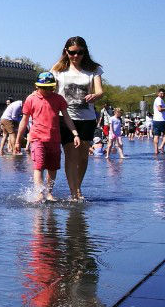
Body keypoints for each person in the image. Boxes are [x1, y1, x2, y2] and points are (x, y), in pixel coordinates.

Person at [51, 36, 105, 199]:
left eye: (80, 53)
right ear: (66, 52)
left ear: (85, 52)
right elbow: (50, 91)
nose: (76, 56)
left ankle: (77, 186)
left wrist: (95, 96)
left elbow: (100, 91)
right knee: (70, 155)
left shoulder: (94, 69)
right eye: (73, 52)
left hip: (87, 118)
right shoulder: (58, 70)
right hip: (65, 117)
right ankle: (74, 192)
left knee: (83, 156)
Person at [15, 71, 80, 202]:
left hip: (54, 139)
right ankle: (39, 193)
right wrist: (18, 140)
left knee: (52, 168)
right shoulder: (31, 99)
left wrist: (75, 134)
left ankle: (49, 192)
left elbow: (67, 117)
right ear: (37, 86)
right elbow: (24, 120)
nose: (47, 90)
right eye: (44, 88)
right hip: (37, 138)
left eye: (50, 87)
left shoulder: (58, 99)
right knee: (38, 166)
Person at [151, 87, 165, 155]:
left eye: (163, 93)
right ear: (158, 93)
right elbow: (160, 109)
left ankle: (156, 150)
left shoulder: (157, 100)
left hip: (156, 120)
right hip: (162, 120)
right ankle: (161, 146)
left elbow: (158, 111)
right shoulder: (159, 100)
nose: (162, 95)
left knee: (156, 135)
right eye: (161, 93)